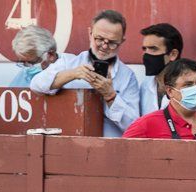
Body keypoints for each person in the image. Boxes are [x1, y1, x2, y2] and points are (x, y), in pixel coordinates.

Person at [30, 10, 139, 138]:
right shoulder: (68, 62)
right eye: (99, 39)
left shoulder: (127, 76)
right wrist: (73, 74)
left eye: (112, 42)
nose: (104, 46)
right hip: (71, 144)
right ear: (90, 33)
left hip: (108, 149)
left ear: (122, 41)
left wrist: (110, 96)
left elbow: (134, 126)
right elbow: (36, 85)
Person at [138, 23, 196, 140]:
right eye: (144, 49)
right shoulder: (145, 86)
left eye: (153, 49)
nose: (146, 54)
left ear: (173, 54)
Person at [123, 59, 196, 141]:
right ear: (170, 91)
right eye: (188, 85)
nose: (195, 89)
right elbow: (118, 153)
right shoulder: (147, 124)